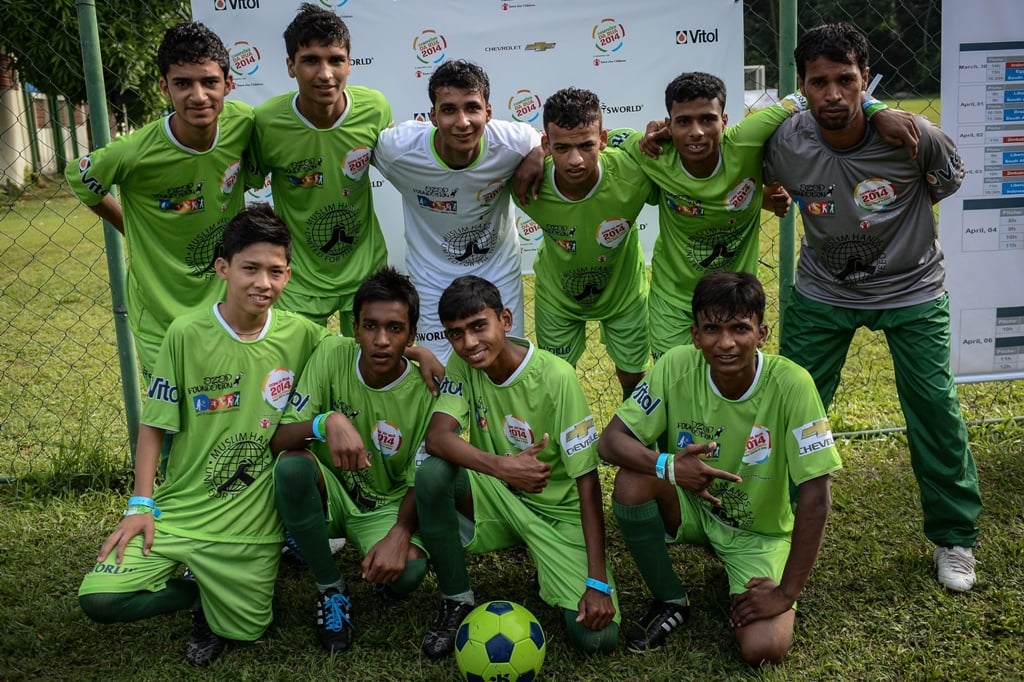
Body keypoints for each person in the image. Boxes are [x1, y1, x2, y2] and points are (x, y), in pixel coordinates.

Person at [763, 22, 982, 592]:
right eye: (819, 82)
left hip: (912, 289)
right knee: (791, 409)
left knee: (933, 406)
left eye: (846, 80)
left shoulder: (914, 136)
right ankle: (772, 529)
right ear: (802, 87)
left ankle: (955, 537)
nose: (833, 94)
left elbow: (945, 182)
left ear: (865, 81)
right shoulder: (784, 142)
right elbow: (751, 169)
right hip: (823, 292)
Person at [76, 204, 330, 666]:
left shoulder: (303, 335)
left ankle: (221, 594)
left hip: (250, 530)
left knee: (249, 632)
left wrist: (418, 352)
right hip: (182, 512)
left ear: (288, 275)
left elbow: (361, 352)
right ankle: (194, 594)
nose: (263, 283)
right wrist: (140, 503)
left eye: (275, 272)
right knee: (101, 598)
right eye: (250, 268)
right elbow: (154, 426)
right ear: (223, 268)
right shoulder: (186, 333)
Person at [598, 271, 841, 665]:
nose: (725, 343)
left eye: (739, 328)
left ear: (762, 334)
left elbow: (815, 498)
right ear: (695, 336)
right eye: (712, 329)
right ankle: (669, 599)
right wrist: (669, 467)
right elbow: (611, 441)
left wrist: (785, 594)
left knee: (764, 649)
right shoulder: (676, 366)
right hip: (692, 506)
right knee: (633, 481)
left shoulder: (793, 384)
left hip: (758, 533)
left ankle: (745, 572)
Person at [612, 72, 920, 358]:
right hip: (673, 300)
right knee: (672, 383)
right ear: (669, 125)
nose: (696, 132)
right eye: (683, 122)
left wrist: (875, 109)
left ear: (725, 121)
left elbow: (804, 95)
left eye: (708, 119)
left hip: (735, 298)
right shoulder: (653, 153)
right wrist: (646, 132)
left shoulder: (747, 139)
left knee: (731, 384)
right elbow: (611, 136)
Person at [414, 275, 618, 659]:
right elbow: (438, 438)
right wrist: (501, 468)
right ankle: (456, 597)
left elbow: (588, 484)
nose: (469, 343)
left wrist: (597, 581)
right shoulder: (463, 365)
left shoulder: (557, 376)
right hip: (499, 496)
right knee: (433, 474)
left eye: (478, 326)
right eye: (456, 334)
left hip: (558, 513)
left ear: (505, 320)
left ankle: (553, 560)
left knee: (597, 640)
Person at [65, 21, 253, 381]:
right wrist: (129, 226)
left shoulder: (242, 124)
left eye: (209, 82)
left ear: (228, 84)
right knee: (175, 422)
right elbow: (80, 179)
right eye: (183, 83)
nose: (198, 96)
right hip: (160, 314)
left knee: (229, 408)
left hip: (227, 303)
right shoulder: (133, 153)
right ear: (164, 87)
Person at [269, 266, 434, 654]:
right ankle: (331, 589)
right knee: (292, 466)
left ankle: (376, 556)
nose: (380, 340)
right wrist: (327, 421)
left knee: (410, 574)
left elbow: (423, 476)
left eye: (395, 329)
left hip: (384, 505)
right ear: (355, 329)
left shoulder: (427, 390)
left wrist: (400, 534)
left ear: (411, 336)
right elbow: (279, 439)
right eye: (370, 326)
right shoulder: (330, 353)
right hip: (329, 489)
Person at [372, 60, 543, 362]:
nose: (462, 122)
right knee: (439, 370)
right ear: (432, 117)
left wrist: (539, 153)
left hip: (497, 271)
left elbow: (544, 140)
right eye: (449, 109)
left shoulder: (514, 143)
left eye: (472, 108)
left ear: (488, 112)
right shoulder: (397, 150)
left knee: (506, 362)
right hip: (432, 278)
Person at [251, 3, 391, 332]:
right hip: (299, 279)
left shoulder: (374, 108)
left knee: (370, 376)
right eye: (311, 60)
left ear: (349, 64)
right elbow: (236, 187)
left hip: (365, 270)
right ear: (290, 66)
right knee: (295, 377)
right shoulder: (266, 123)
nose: (325, 74)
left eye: (335, 60)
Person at [512, 87, 657, 399]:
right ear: (546, 144)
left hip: (624, 295)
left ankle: (637, 444)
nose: (575, 159)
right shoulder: (525, 182)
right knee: (555, 381)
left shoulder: (635, 175)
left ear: (602, 140)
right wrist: (532, 156)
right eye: (562, 147)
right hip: (558, 298)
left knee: (634, 376)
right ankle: (566, 446)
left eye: (586, 145)